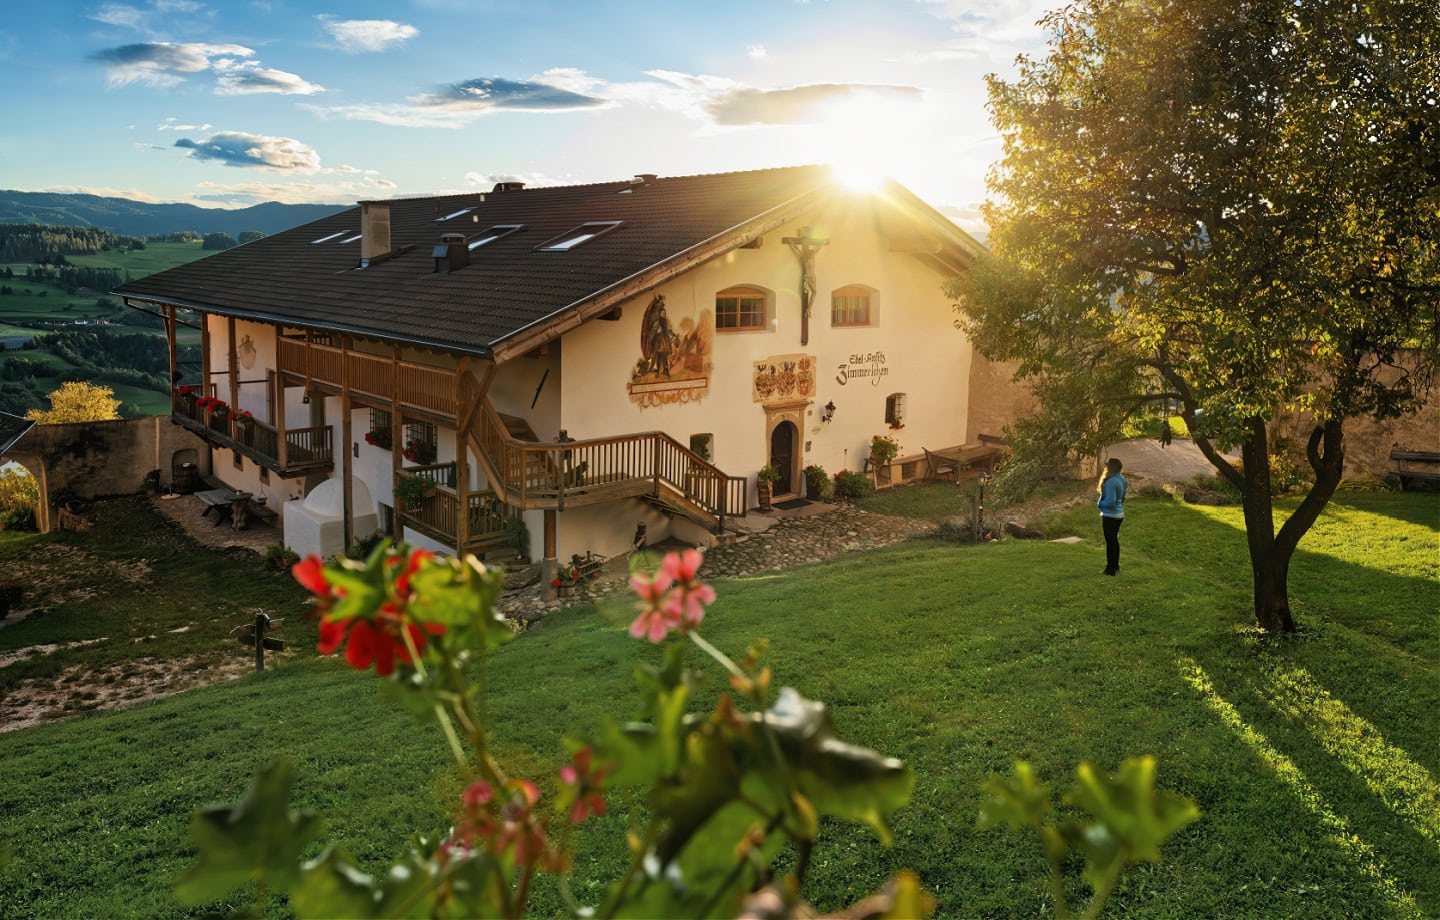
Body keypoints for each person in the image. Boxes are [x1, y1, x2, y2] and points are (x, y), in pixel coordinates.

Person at [1097, 457, 1128, 575]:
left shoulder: (1110, 481)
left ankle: (1110, 569)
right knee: (1114, 540)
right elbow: (1123, 498)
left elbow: (1110, 501)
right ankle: (1115, 566)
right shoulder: (1122, 479)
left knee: (1110, 542)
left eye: (1107, 466)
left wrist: (1100, 504)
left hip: (1110, 516)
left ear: (1110, 468)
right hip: (1119, 515)